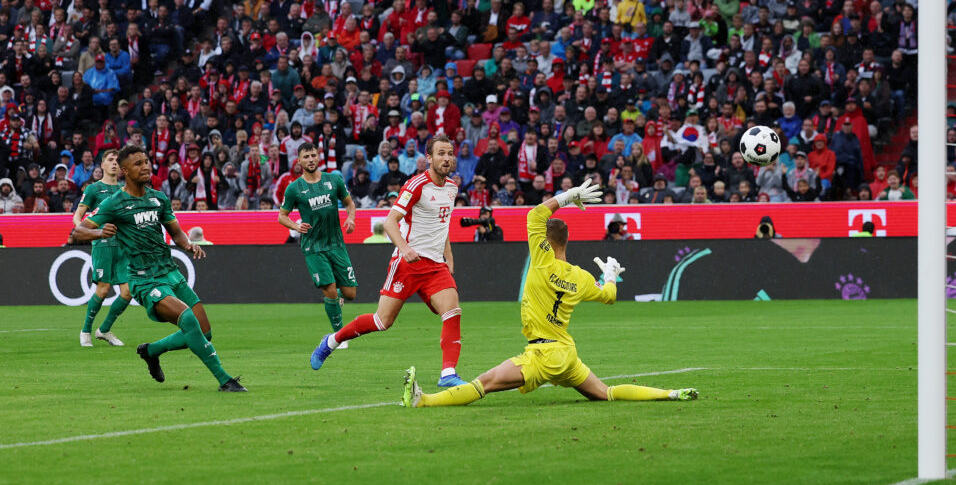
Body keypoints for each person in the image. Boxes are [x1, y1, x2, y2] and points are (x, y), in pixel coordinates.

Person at [402, 179, 698, 407]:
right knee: (604, 393)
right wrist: (610, 276)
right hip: (567, 355)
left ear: (545, 240)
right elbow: (609, 296)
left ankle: (423, 400)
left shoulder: (542, 260)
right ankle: (669, 393)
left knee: (486, 382)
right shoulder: (580, 277)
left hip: (542, 354)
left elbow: (535, 215)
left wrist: (568, 196)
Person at [72, 146, 245, 392]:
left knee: (204, 333)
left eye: (146, 161)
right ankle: (225, 380)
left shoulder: (158, 198)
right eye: (138, 163)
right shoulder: (115, 202)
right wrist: (99, 232)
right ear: (125, 171)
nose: (145, 166)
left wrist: (188, 244)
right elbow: (78, 230)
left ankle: (151, 351)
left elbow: (176, 232)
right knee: (188, 320)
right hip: (144, 280)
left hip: (170, 272)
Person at [309, 134, 466, 387]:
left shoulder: (451, 188)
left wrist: (449, 256)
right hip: (408, 264)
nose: (446, 158)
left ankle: (448, 374)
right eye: (441, 154)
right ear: (428, 158)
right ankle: (331, 341)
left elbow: (442, 225)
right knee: (382, 321)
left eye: (450, 153)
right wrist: (404, 249)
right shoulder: (416, 185)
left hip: (435, 266)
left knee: (452, 311)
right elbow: (389, 222)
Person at [279, 142, 358, 337]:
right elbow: (282, 216)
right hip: (313, 247)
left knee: (350, 294)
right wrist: (296, 226)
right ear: (299, 161)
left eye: (313, 155)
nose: (310, 159)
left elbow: (350, 203)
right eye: (306, 157)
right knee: (329, 289)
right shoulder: (294, 188)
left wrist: (351, 217)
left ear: (318, 157)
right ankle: (339, 335)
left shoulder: (334, 180)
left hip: (336, 244)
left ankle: (336, 299)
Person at [71, 149, 132, 347]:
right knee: (103, 289)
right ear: (103, 165)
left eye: (117, 160)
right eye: (110, 160)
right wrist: (94, 234)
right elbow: (77, 218)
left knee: (127, 292)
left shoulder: (125, 190)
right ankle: (86, 330)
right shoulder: (93, 189)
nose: (114, 163)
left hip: (122, 247)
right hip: (103, 245)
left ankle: (104, 330)